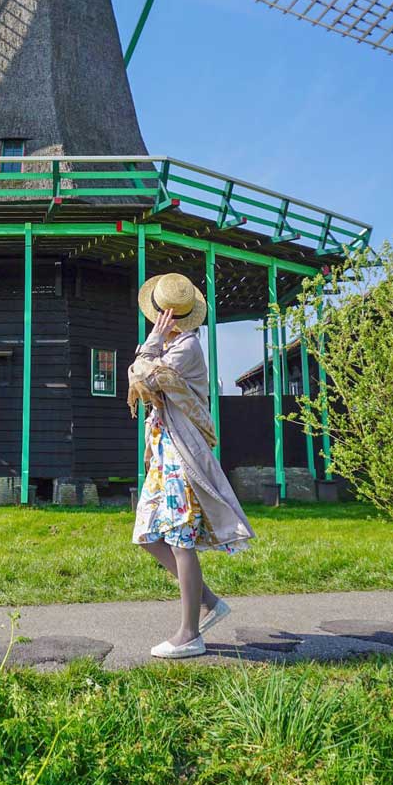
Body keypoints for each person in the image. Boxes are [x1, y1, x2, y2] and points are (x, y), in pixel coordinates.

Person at [128, 272, 256, 659]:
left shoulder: (183, 347)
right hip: (164, 454)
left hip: (182, 456)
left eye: (158, 318)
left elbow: (144, 374)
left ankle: (189, 633)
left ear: (164, 317)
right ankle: (209, 602)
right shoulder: (168, 346)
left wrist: (148, 347)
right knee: (148, 534)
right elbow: (138, 376)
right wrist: (146, 355)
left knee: (180, 540)